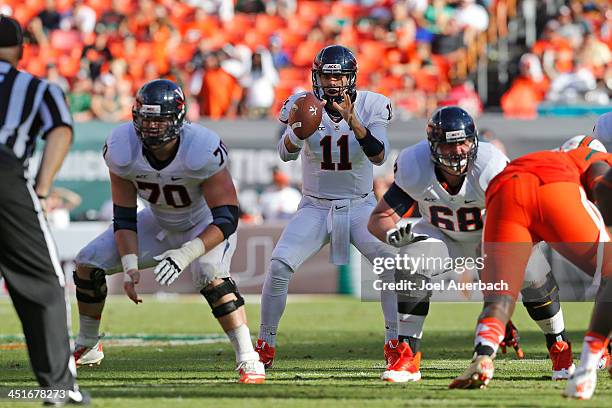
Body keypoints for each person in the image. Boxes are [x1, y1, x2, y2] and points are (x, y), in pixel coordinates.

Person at [71, 79, 265, 383]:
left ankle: (247, 356)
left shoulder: (200, 147)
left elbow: (227, 218)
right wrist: (130, 265)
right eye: (146, 119)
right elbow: (123, 217)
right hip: (159, 221)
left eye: (158, 119)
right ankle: (88, 343)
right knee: (87, 264)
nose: (151, 128)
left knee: (209, 273)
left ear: (177, 118)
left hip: (204, 225)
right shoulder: (122, 146)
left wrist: (186, 253)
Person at [368, 106, 576, 382]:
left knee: (533, 271)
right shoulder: (415, 166)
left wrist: (500, 306)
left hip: (491, 235)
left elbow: (519, 220)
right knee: (408, 261)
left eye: (462, 142)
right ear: (433, 146)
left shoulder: (490, 166)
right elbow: (379, 218)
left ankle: (559, 346)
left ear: (474, 140)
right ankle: (407, 356)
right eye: (448, 143)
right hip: (442, 236)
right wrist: (392, 235)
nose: (457, 151)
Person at [256, 45, 397, 368]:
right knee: (279, 266)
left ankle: (395, 345)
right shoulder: (301, 103)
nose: (332, 83)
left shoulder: (374, 104)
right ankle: (265, 345)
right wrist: (296, 130)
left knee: (392, 265)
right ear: (316, 77)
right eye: (326, 75)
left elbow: (378, 155)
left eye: (339, 76)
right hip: (315, 207)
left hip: (361, 206)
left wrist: (353, 121)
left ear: (351, 78)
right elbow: (285, 154)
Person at [449, 134, 611, 392]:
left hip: (503, 192)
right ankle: (589, 366)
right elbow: (602, 185)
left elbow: (483, 251)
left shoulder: (538, 157)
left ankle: (483, 355)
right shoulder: (588, 155)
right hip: (555, 188)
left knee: (500, 299)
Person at [0, 14, 88, 404]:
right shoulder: (34, 87)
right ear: (20, 50)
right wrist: (42, 186)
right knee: (43, 287)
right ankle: (58, 387)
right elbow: (61, 129)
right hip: (5, 178)